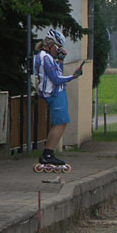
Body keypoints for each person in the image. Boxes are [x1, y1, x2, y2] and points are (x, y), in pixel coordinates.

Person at [33, 29, 83, 167]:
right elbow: (56, 78)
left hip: (55, 92)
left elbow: (58, 72)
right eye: (58, 47)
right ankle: (48, 154)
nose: (59, 50)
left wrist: (60, 59)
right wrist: (73, 76)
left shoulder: (47, 57)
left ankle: (49, 153)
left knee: (60, 122)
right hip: (54, 93)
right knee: (61, 122)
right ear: (50, 44)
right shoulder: (45, 57)